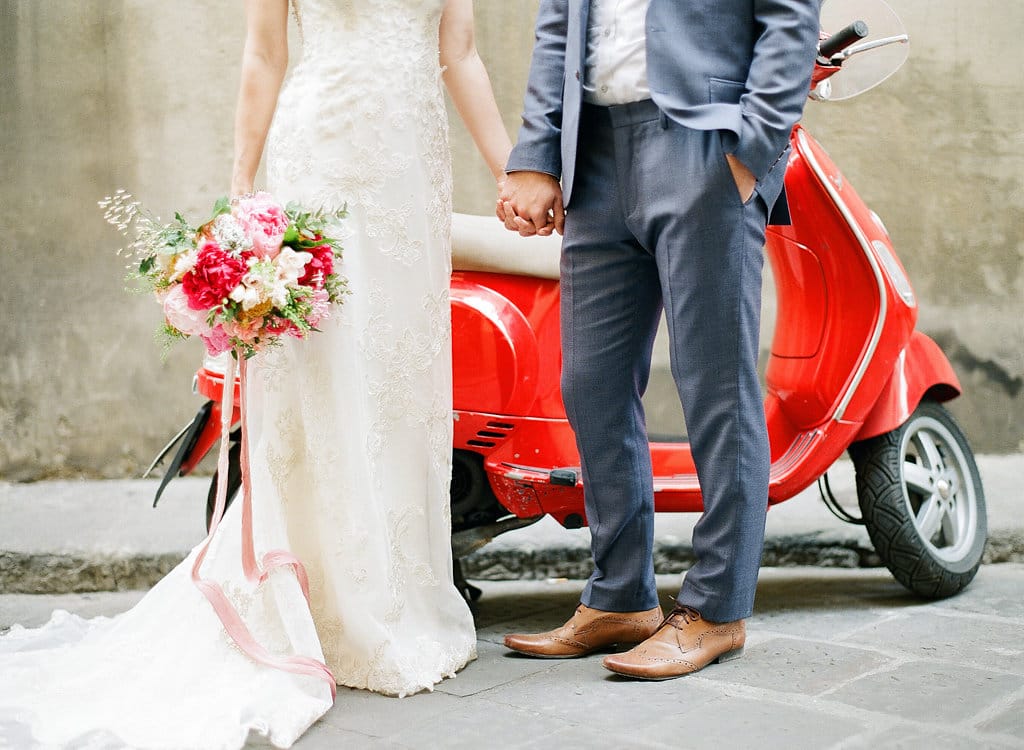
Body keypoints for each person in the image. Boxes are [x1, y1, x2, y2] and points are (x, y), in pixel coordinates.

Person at [0, 0, 511, 746]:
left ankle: (403, 594)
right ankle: (328, 601)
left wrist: (512, 172)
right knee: (329, 377)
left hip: (411, 169)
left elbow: (460, 53)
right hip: (325, 155)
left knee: (404, 381)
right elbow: (265, 53)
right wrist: (242, 185)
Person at [498, 0, 820, 679]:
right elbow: (559, 29)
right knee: (589, 382)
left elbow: (790, 20)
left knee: (715, 385)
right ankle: (620, 596)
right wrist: (536, 155)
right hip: (597, 154)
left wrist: (754, 148)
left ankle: (716, 609)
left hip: (704, 141)